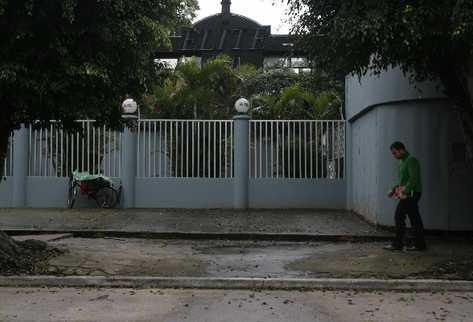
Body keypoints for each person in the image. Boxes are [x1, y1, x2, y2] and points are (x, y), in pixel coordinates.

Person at [384, 142, 427, 251]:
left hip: (411, 194)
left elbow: (414, 178)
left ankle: (398, 244)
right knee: (414, 219)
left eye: (395, 153)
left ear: (401, 150)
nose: (394, 155)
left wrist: (405, 192)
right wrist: (393, 189)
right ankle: (420, 245)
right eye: (393, 153)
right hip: (408, 193)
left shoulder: (411, 160)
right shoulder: (402, 162)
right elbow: (401, 181)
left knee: (399, 216)